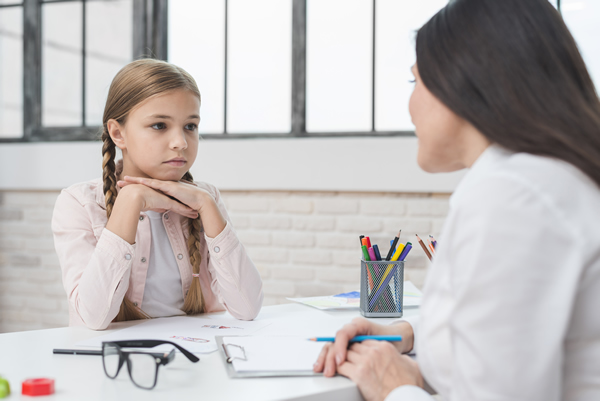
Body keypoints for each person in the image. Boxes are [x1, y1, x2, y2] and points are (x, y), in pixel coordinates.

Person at [314, 0, 600, 400]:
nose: (409, 106)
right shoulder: (550, 180)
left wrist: (394, 388)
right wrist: (409, 334)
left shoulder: (513, 197)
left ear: (463, 81)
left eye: (416, 82)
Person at [52, 59, 264, 330]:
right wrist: (130, 200)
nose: (181, 143)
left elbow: (247, 309)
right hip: (112, 364)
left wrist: (205, 204)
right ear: (118, 133)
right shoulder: (79, 203)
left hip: (196, 355)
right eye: (159, 126)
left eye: (190, 126)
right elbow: (92, 317)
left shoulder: (206, 198)